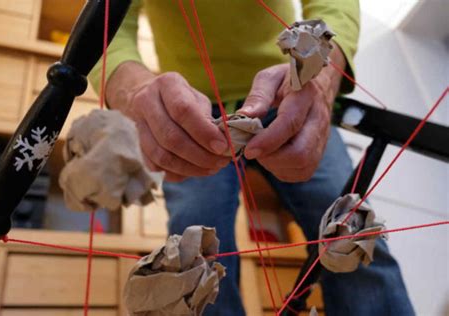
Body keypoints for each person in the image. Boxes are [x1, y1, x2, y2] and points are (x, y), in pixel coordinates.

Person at [90, 1, 415, 315]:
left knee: (351, 232)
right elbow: (103, 24)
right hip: (193, 111)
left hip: (291, 91)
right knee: (191, 254)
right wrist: (132, 92)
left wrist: (322, 76)